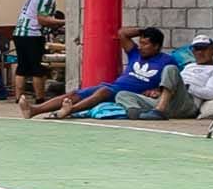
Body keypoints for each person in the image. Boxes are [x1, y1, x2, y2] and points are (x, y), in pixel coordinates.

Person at [23, 25, 185, 119]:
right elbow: (122, 33)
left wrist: (157, 91)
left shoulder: (167, 61)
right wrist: (145, 31)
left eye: (146, 44)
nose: (141, 46)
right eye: (140, 43)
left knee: (103, 92)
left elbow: (173, 81)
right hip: (113, 86)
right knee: (74, 94)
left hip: (129, 94)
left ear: (156, 46)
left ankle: (69, 111)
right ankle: (35, 110)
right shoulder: (135, 53)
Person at [12, 0, 67, 109]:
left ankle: (19, 97)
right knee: (37, 68)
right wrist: (64, 22)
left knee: (22, 67)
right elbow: (42, 19)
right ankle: (40, 99)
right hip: (33, 34)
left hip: (19, 32)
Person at [185, 35, 213, 118]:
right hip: (172, 97)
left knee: (170, 69)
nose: (199, 52)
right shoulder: (189, 66)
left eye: (204, 49)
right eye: (196, 49)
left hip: (188, 103)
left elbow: (211, 93)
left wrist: (187, 87)